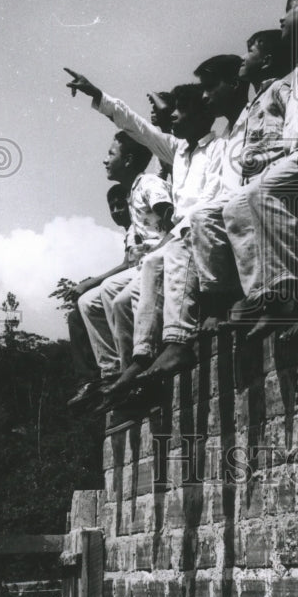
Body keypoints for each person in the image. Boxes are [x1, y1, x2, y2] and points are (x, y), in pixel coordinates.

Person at [64, 69, 224, 427]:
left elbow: (204, 206)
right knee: (116, 300)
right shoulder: (178, 150)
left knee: (143, 273)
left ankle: (151, 360)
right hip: (176, 240)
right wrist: (99, 95)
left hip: (198, 234)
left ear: (200, 115)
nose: (174, 119)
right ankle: (127, 378)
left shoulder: (219, 149)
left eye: (181, 111)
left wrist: (168, 239)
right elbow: (138, 127)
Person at [223, 0, 298, 339]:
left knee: (264, 191)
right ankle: (266, 295)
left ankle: (289, 293)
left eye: (291, 8)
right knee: (239, 202)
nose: (282, 17)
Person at [189, 34, 292, 331]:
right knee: (202, 216)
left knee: (237, 204)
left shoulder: (258, 110)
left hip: (263, 190)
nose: (205, 97)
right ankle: (223, 300)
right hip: (233, 206)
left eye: (210, 88)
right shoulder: (222, 139)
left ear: (234, 84)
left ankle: (257, 298)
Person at [70, 131, 172, 415]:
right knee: (87, 302)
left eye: (110, 154)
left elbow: (173, 222)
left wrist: (156, 251)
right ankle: (112, 370)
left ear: (128, 160)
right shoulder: (131, 195)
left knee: (117, 299)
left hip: (162, 259)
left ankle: (134, 373)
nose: (105, 160)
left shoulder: (150, 184)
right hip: (142, 264)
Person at [65, 184, 139, 413]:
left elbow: (128, 265)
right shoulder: (128, 232)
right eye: (112, 207)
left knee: (94, 300)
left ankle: (111, 371)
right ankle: (91, 380)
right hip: (127, 282)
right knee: (77, 316)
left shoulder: (139, 225)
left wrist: (90, 282)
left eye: (121, 205)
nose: (117, 211)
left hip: (138, 282)